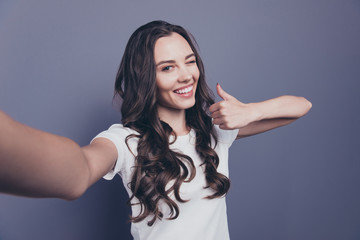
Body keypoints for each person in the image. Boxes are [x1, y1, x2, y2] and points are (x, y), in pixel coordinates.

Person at [0, 20, 312, 240]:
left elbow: (301, 106)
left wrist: (249, 111)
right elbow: (79, 170)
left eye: (189, 62)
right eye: (167, 68)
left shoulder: (214, 131)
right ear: (146, 78)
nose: (186, 76)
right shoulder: (126, 142)